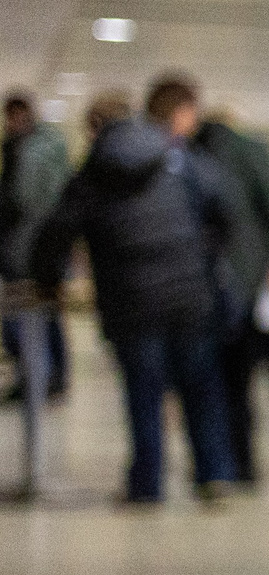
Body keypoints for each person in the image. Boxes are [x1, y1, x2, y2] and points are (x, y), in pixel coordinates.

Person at [30, 78, 237, 504]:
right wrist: (202, 257)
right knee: (200, 387)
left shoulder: (93, 170)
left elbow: (58, 230)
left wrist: (45, 277)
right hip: (189, 294)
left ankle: (148, 484)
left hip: (131, 299)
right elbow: (224, 210)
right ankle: (214, 473)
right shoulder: (179, 159)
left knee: (144, 393)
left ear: (95, 128)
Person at [188, 86, 269, 491]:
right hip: (248, 286)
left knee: (251, 381)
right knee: (268, 381)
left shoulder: (225, 154)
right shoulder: (232, 153)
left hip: (254, 288)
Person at [1, 92, 72, 403]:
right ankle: (32, 377)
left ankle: (51, 377)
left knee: (46, 313)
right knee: (19, 316)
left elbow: (40, 201)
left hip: (40, 246)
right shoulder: (13, 148)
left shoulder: (44, 149)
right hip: (16, 245)